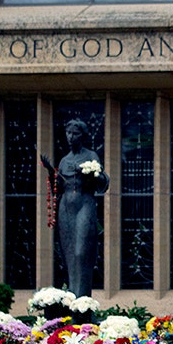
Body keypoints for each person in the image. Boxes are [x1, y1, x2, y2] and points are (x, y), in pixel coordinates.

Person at [54, 118, 108, 298]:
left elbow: (103, 182)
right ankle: (72, 298)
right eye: (68, 133)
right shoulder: (63, 161)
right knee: (69, 253)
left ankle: (83, 301)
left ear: (82, 136)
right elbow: (58, 188)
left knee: (81, 252)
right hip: (66, 208)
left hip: (84, 205)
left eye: (75, 133)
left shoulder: (91, 155)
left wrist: (92, 173)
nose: (71, 137)